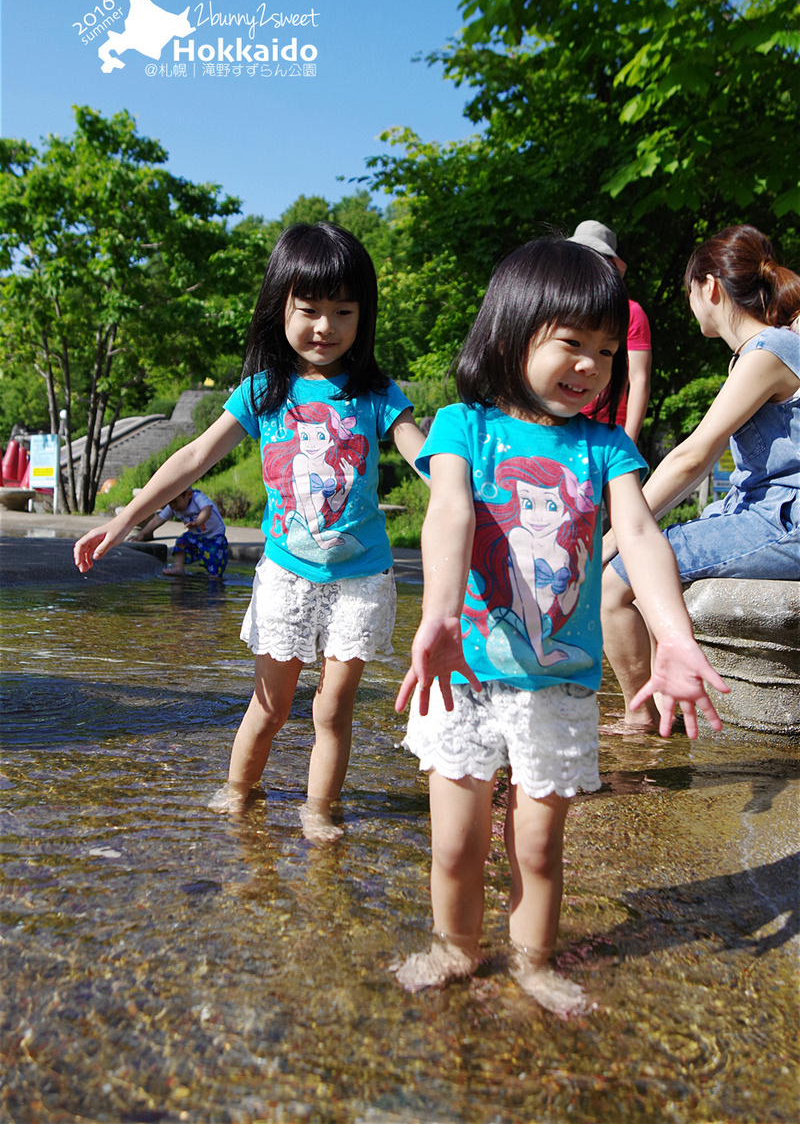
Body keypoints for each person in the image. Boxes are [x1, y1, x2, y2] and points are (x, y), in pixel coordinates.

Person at [393, 237, 727, 1018]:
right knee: (457, 842)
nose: (591, 366)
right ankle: (454, 947)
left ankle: (533, 961)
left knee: (538, 846)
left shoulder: (603, 446)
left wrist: (674, 637)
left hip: (556, 686)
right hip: (466, 672)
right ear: (511, 335)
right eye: (571, 343)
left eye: (607, 352)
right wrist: (439, 611)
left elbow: (640, 538)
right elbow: (447, 513)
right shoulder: (462, 427)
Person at [74, 222, 426, 841]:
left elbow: (425, 460)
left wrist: (477, 503)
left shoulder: (376, 392)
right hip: (288, 574)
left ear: (363, 316)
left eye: (343, 311)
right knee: (271, 704)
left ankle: (319, 809)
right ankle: (239, 792)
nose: (325, 327)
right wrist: (124, 518)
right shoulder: (265, 391)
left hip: (360, 578)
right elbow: (191, 459)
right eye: (309, 310)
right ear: (279, 309)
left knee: (333, 708)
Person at [602, 224, 800, 732]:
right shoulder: (763, 351)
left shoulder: (769, 351)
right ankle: (653, 708)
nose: (691, 304)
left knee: (615, 577)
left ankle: (639, 719)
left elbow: (692, 458)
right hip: (765, 513)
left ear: (709, 287)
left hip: (784, 521)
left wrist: (614, 533)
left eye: (689, 291)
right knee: (646, 569)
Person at [569, 220, 652, 444]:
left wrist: (628, 443)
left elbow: (639, 379)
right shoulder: (558, 306)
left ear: (611, 266)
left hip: (608, 429)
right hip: (557, 423)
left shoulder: (631, 312)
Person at [135, 486, 228, 579]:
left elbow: (206, 509)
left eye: (175, 502)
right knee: (182, 541)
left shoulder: (197, 498)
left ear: (188, 494)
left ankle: (215, 578)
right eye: (170, 503)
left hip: (214, 535)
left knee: (214, 557)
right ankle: (178, 568)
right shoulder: (172, 507)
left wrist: (197, 522)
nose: (173, 506)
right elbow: (158, 520)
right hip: (195, 535)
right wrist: (142, 533)